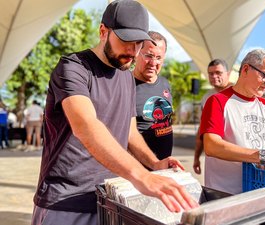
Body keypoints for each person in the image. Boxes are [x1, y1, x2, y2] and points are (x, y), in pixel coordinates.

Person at [31, 1, 198, 225]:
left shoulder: (126, 76)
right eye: (126, 41)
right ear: (103, 32)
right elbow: (86, 126)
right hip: (66, 201)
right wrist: (141, 176)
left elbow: (129, 132)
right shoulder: (73, 67)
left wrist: (155, 164)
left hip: (110, 198)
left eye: (139, 43)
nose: (133, 51)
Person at [199, 49, 265, 194]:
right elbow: (212, 146)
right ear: (245, 69)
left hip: (262, 193)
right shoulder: (218, 101)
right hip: (226, 195)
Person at [132, 31, 173, 160]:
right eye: (149, 56)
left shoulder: (165, 84)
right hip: (137, 170)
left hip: (164, 166)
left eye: (159, 57)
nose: (153, 62)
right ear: (137, 53)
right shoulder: (124, 85)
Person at [193, 59, 232, 174]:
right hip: (213, 159)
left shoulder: (238, 92)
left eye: (218, 73)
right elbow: (202, 129)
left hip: (236, 159)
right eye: (211, 73)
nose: (214, 76)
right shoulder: (206, 97)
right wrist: (196, 157)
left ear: (228, 74)